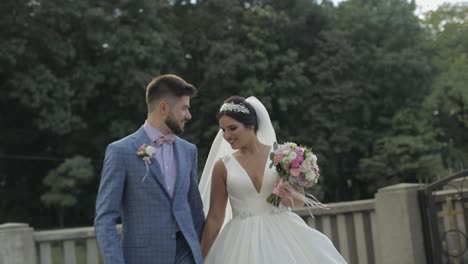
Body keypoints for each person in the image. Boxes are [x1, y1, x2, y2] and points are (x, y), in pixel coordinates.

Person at [199, 96, 347, 263]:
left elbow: (297, 202)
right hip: (240, 240)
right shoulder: (222, 166)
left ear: (251, 125)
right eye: (223, 130)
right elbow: (215, 216)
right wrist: (200, 255)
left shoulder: (281, 156)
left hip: (283, 234)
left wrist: (286, 195)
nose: (227, 135)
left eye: (232, 128)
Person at [95, 74, 205, 264]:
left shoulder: (189, 151)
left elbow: (195, 208)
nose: (189, 115)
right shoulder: (121, 151)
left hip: (186, 254)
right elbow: (105, 217)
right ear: (164, 107)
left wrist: (201, 252)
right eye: (184, 108)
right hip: (144, 257)